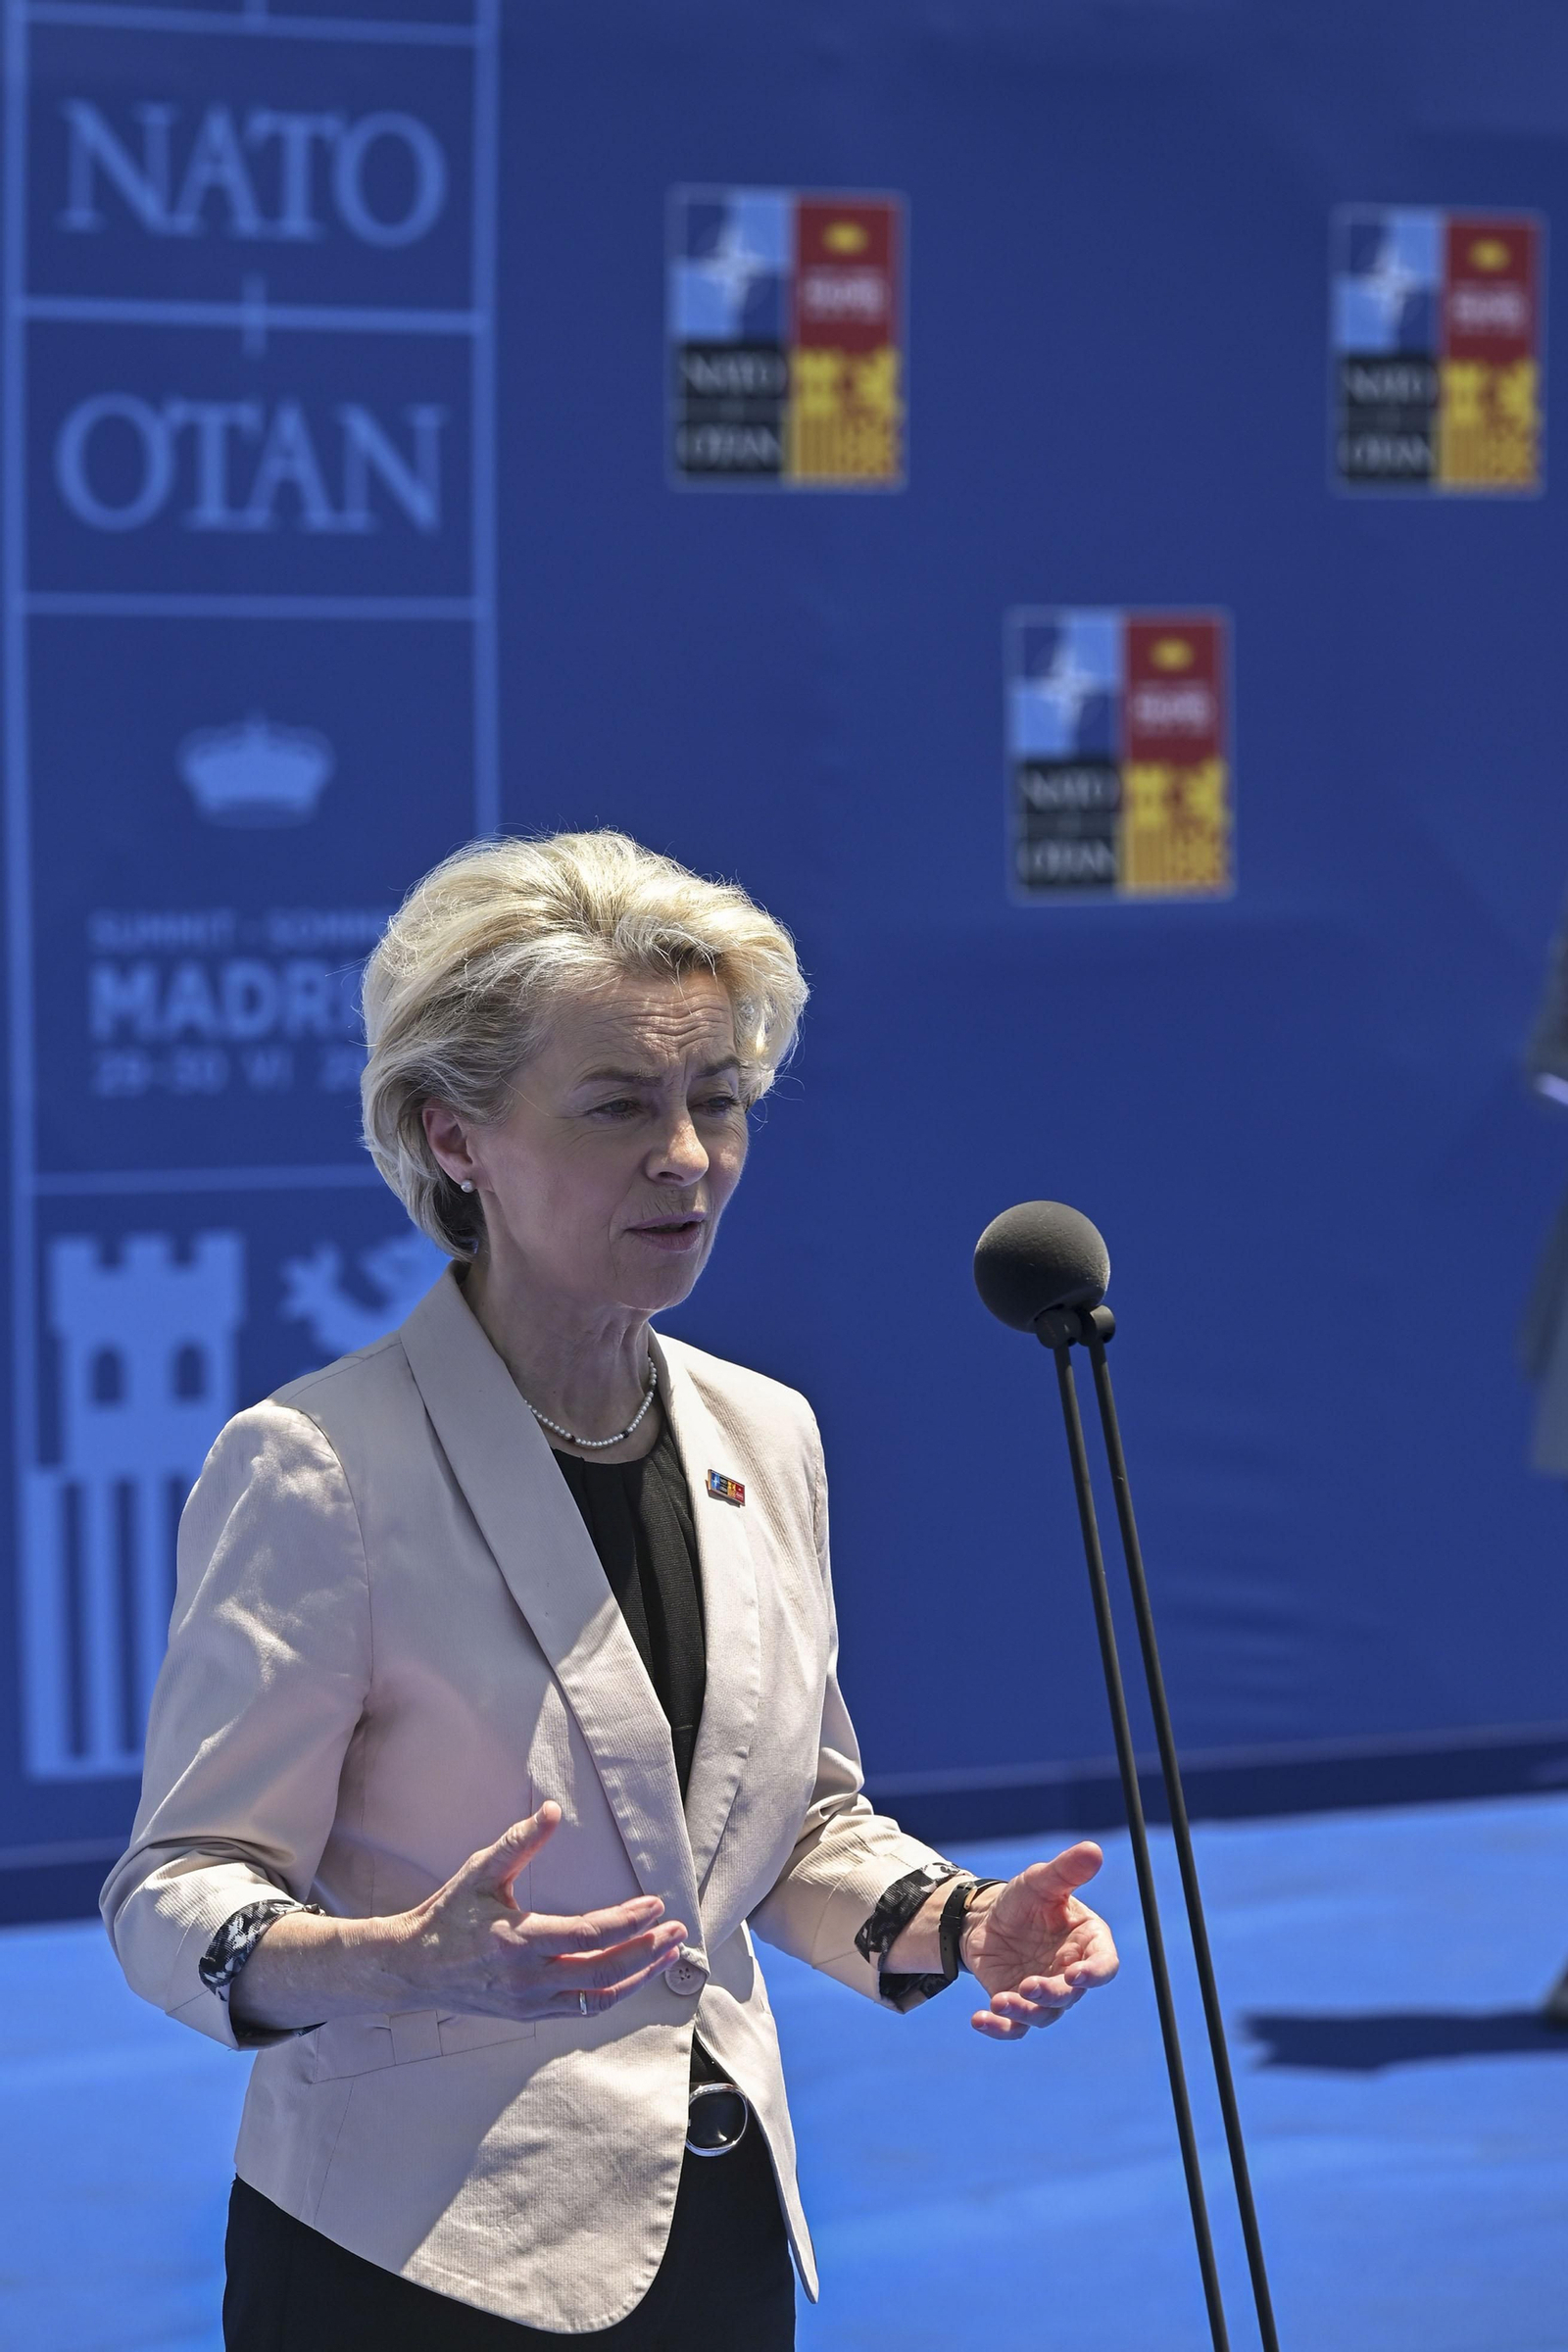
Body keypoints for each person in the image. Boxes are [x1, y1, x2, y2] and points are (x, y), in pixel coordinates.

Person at [103, 831, 1120, 2348]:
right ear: (456, 1141)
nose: (689, 1155)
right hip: (410, 2266)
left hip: (718, 2236)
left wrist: (958, 1922)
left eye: (717, 1099)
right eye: (618, 1105)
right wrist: (384, 1961)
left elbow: (788, 1827)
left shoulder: (766, 1432)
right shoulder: (320, 1464)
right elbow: (173, 1888)